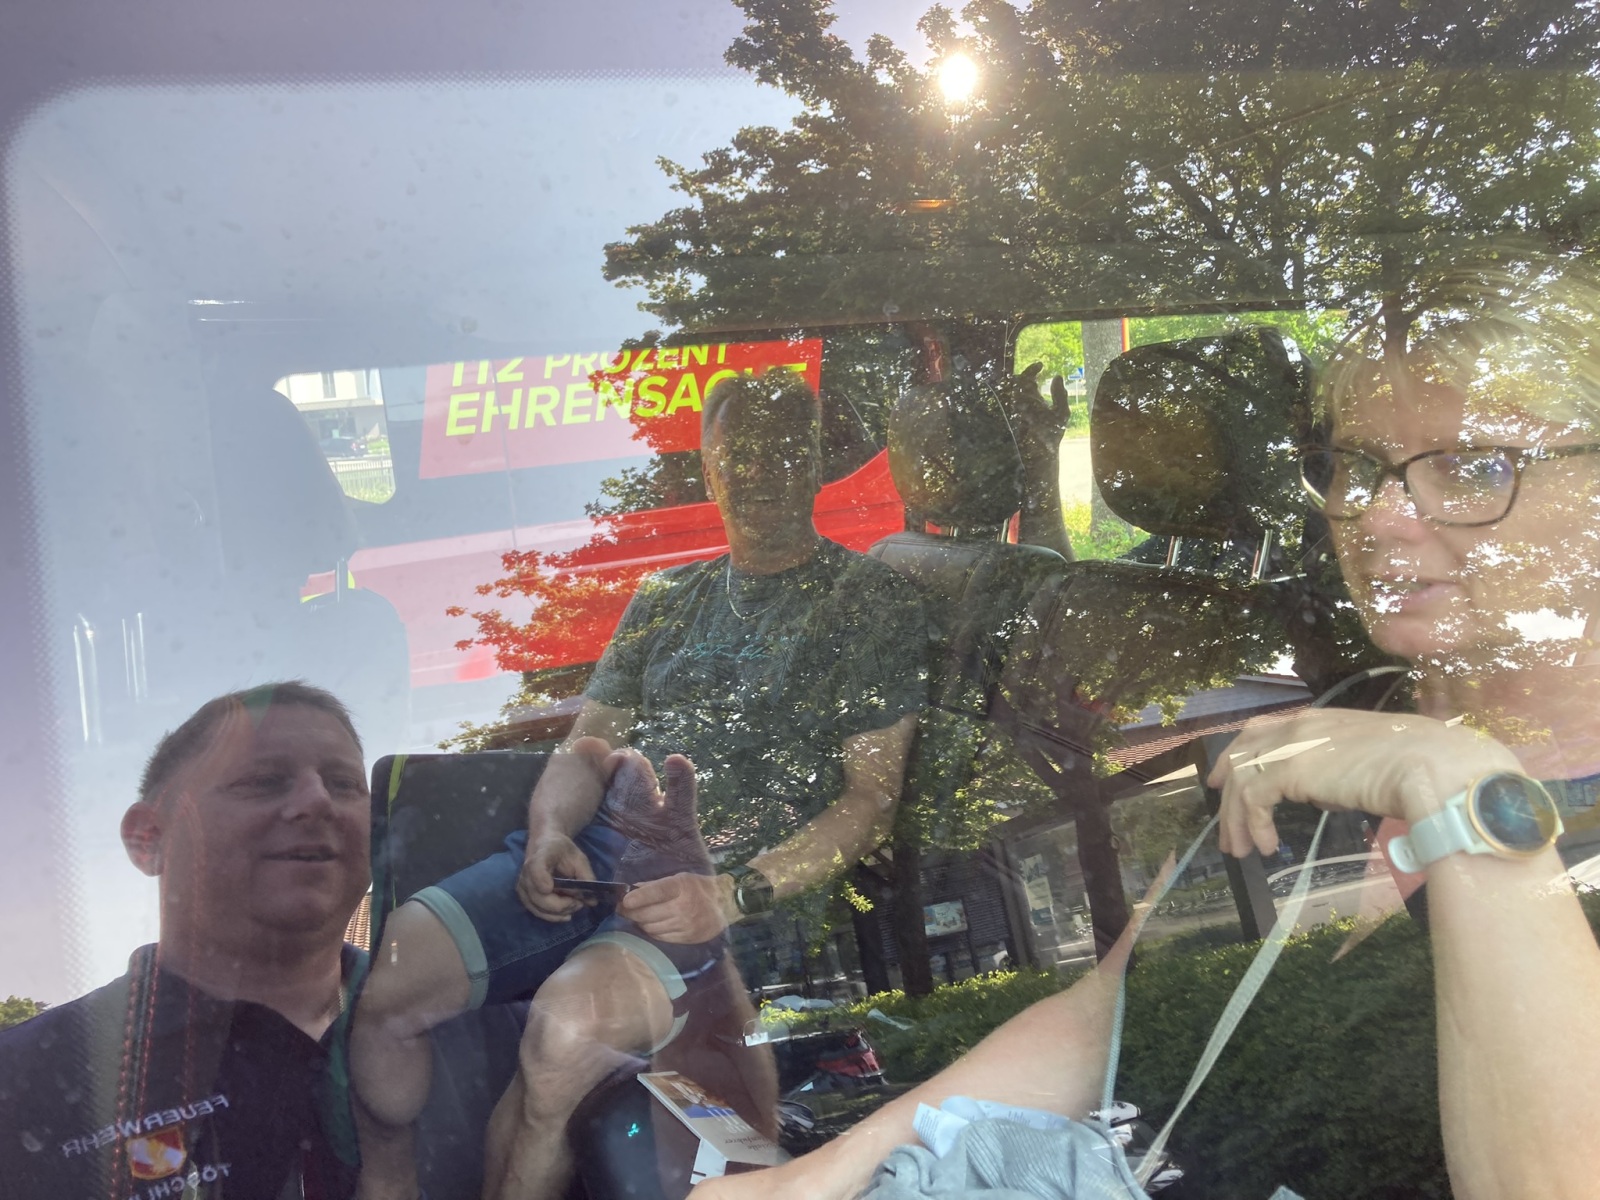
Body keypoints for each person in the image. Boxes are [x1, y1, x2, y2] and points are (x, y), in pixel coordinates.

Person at [690, 252, 1600, 1200]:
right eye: (1358, 467)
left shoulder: (1413, 764)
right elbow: (1111, 1011)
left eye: (1473, 467)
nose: (1375, 514)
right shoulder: (1348, 719)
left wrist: (1464, 795)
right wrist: (815, 1178)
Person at [351, 369, 928, 1200]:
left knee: (560, 1039)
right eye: (738, 455)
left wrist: (733, 895)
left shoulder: (867, 604)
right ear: (710, 469)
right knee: (391, 981)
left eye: (781, 451)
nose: (759, 473)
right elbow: (586, 748)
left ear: (813, 463)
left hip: (712, 892)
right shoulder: (665, 597)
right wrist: (548, 835)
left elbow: (872, 802)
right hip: (592, 859)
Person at [0, 681, 373, 1200]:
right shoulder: (20, 1083)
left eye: (345, 783)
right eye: (263, 781)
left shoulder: (471, 1025)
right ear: (149, 839)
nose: (318, 800)